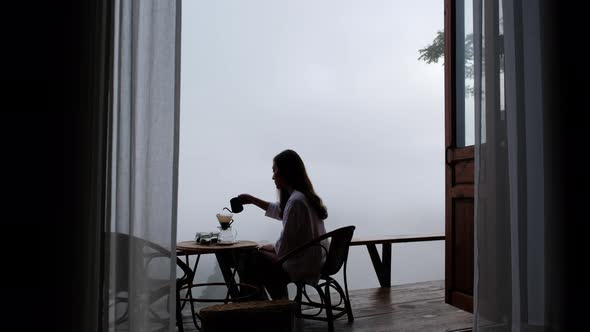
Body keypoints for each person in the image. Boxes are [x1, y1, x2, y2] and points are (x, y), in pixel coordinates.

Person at [236, 149, 329, 300]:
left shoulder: (296, 202)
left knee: (250, 260)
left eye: (275, 170)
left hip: (302, 263)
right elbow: (281, 211)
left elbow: (284, 247)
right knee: (254, 257)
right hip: (316, 259)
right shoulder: (304, 197)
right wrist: (253, 200)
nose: (273, 176)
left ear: (286, 172)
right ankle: (271, 307)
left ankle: (267, 308)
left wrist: (269, 247)